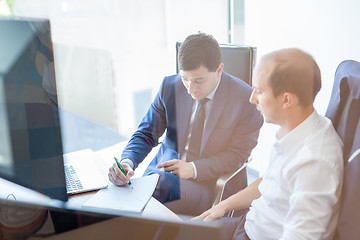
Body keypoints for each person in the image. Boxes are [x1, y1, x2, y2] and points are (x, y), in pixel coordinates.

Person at [194, 48, 344, 239]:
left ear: (286, 100)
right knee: (174, 231)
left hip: (254, 236)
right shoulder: (295, 130)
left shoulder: (314, 162)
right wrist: (223, 206)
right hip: (248, 224)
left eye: (260, 91)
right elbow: (269, 182)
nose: (252, 98)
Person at [108, 33, 263, 216]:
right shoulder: (170, 86)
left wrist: (193, 169)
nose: (190, 89)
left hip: (207, 185)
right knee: (126, 193)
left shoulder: (246, 100)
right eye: (185, 79)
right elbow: (147, 132)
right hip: (160, 177)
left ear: (219, 70)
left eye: (198, 80)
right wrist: (127, 162)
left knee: (143, 200)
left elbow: (237, 155)